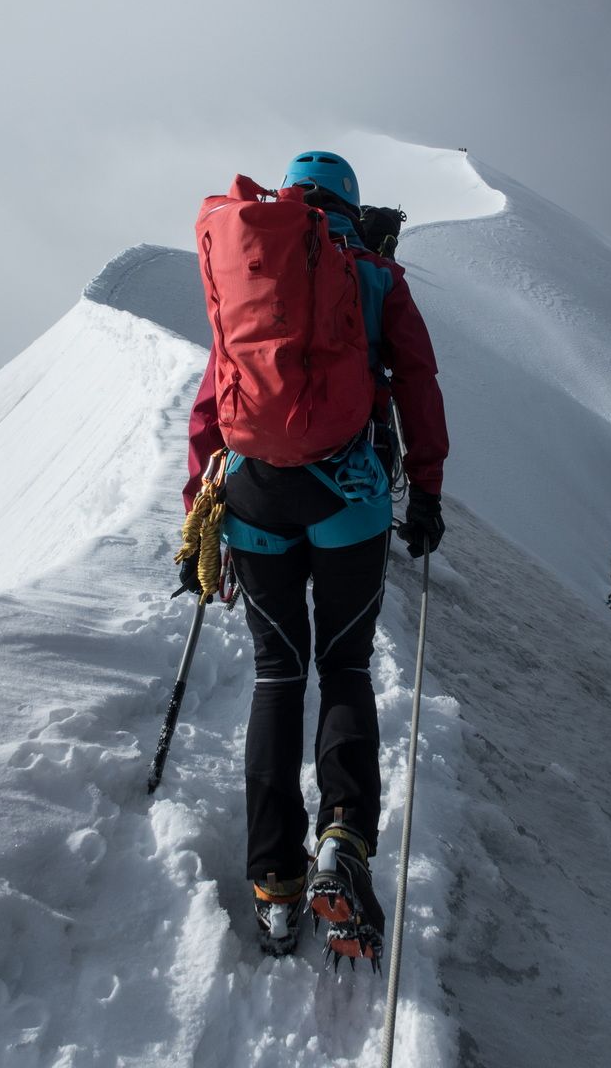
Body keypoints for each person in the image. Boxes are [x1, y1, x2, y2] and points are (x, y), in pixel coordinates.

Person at [180, 150, 448, 962]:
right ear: (351, 206)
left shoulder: (248, 255)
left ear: (293, 197)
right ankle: (343, 841)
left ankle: (274, 891)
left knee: (276, 674)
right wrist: (427, 491)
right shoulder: (373, 273)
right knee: (346, 667)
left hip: (256, 493)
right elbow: (419, 381)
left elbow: (214, 392)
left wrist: (197, 505)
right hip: (349, 496)